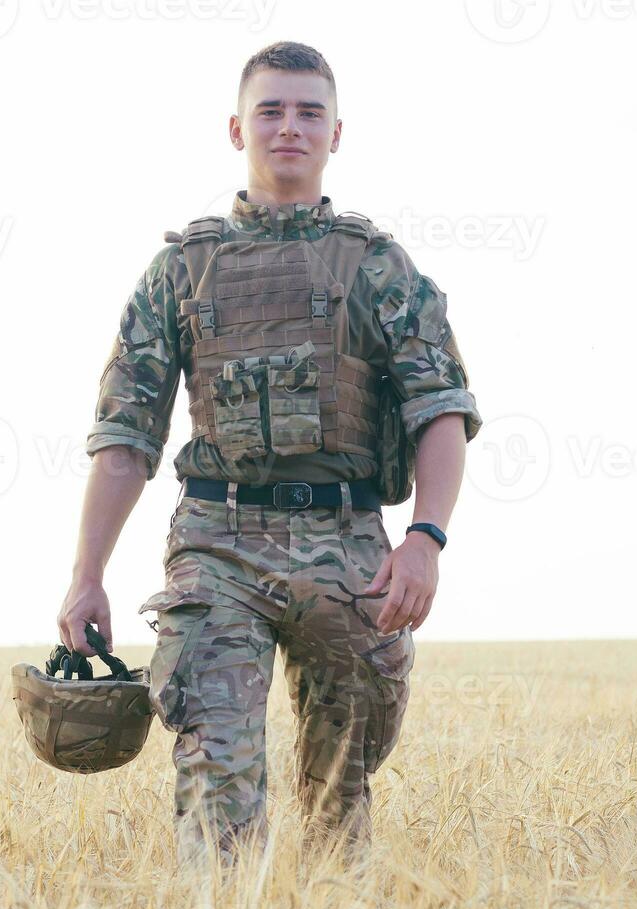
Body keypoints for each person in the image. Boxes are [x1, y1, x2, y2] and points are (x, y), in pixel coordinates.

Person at [56, 40, 481, 865]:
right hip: (217, 545)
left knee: (339, 791)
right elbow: (124, 436)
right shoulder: (180, 271)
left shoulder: (380, 267)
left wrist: (425, 540)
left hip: (351, 555)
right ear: (236, 128)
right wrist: (86, 572)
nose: (290, 127)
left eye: (309, 111)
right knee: (218, 782)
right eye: (271, 110)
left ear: (336, 132)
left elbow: (442, 411)